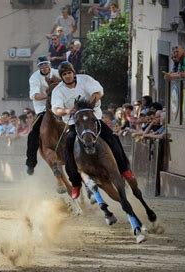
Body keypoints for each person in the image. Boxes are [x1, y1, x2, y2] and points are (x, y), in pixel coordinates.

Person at [51, 61, 137, 199]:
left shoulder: (86, 79)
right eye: (64, 74)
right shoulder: (58, 90)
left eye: (69, 73)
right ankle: (76, 183)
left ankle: (124, 169)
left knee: (112, 138)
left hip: (93, 120)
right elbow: (56, 108)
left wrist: (90, 103)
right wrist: (68, 110)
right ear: (61, 77)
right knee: (67, 148)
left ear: (73, 72)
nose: (67, 76)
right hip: (75, 123)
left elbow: (98, 92)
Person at [25, 56, 60, 175]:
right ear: (38, 67)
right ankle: (31, 163)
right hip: (43, 109)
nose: (44, 67)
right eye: (41, 65)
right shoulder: (34, 78)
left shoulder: (58, 73)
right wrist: (49, 95)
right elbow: (34, 96)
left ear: (50, 65)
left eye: (46, 64)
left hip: (60, 106)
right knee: (33, 134)